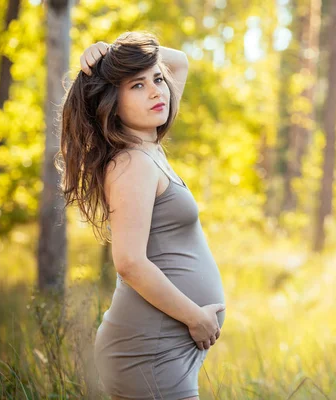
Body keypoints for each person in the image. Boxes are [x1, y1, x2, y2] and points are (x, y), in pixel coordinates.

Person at [56, 31, 226, 400]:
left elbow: (178, 60)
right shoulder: (132, 163)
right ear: (112, 102)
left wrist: (115, 51)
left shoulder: (147, 146)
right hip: (150, 350)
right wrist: (195, 318)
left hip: (160, 345)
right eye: (137, 85)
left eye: (157, 79)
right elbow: (130, 262)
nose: (156, 91)